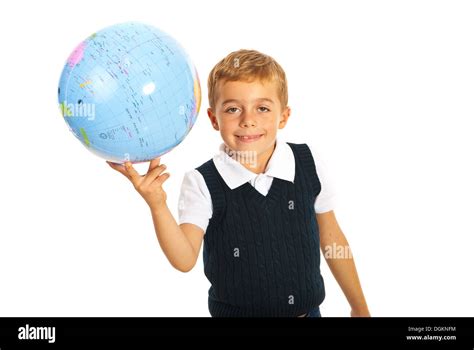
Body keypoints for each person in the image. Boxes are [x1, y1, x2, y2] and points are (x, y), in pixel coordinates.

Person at [108, 49, 370, 318]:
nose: (248, 120)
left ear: (283, 116)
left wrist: (359, 307)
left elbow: (332, 239)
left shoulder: (306, 162)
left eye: (263, 108)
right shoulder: (203, 182)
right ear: (213, 118)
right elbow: (184, 259)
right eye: (233, 109)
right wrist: (157, 204)